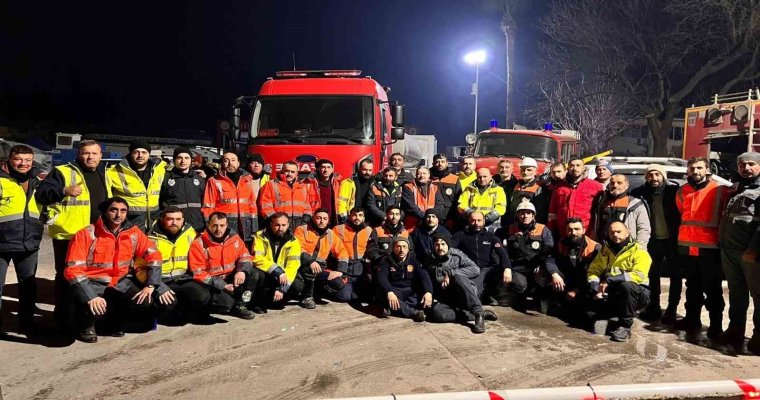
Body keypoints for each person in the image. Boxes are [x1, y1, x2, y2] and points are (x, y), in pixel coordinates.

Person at [64, 197, 172, 343]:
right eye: (113, 210)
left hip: (120, 283)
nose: (118, 215)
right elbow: (73, 270)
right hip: (92, 283)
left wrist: (151, 285)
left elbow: (154, 255)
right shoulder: (86, 234)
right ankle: (85, 326)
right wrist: (91, 296)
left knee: (145, 303)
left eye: (123, 211)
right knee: (88, 302)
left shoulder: (133, 233)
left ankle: (109, 323)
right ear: (105, 212)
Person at [36, 139, 112, 333]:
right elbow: (41, 194)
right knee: (67, 280)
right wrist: (63, 191)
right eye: (86, 153)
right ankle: (63, 322)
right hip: (69, 236)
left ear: (101, 156)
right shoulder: (62, 172)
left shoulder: (105, 174)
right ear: (79, 154)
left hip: (98, 237)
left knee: (94, 278)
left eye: (94, 153)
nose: (90, 157)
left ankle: (87, 322)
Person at [674, 157, 729, 339]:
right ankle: (692, 320)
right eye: (692, 168)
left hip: (710, 248)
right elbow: (682, 214)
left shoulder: (719, 190)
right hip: (687, 247)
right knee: (692, 287)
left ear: (707, 169)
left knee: (713, 289)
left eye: (699, 168)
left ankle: (715, 326)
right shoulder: (682, 191)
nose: (695, 171)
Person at [718, 152, 760, 353]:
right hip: (730, 250)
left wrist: (754, 248)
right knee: (736, 293)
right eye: (742, 165)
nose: (747, 168)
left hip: (751, 254)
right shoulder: (737, 188)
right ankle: (735, 331)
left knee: (758, 295)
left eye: (752, 164)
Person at [0, 145, 44, 334]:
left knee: (28, 286)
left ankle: (27, 324)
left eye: (28, 160)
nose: (23, 163)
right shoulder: (1, 180)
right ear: (9, 160)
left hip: (29, 242)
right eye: (18, 159)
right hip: (2, 243)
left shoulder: (37, 181)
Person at [631, 164, 682, 323]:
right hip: (652, 240)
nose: (654, 178)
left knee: (675, 275)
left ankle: (672, 309)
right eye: (650, 175)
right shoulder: (639, 193)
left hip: (673, 239)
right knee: (652, 274)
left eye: (657, 174)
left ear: (663, 176)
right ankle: (654, 306)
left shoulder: (674, 191)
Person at [142, 206, 209, 323]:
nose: (174, 222)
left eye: (178, 219)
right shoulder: (148, 238)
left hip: (182, 278)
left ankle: (182, 309)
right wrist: (158, 286)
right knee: (169, 306)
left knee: (203, 297)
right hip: (160, 280)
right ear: (162, 219)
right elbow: (140, 269)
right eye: (170, 219)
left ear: (183, 220)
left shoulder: (191, 234)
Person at [587, 222, 651, 342]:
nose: (615, 234)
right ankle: (616, 313)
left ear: (627, 233)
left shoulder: (639, 251)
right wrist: (595, 289)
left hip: (638, 294)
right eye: (612, 232)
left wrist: (609, 280)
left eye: (619, 231)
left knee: (627, 286)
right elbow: (593, 271)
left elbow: (638, 275)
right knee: (587, 315)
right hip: (613, 293)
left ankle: (625, 326)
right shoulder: (605, 250)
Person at [188, 212, 256, 320]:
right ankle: (225, 305)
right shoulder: (198, 244)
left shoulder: (234, 238)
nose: (218, 229)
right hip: (212, 283)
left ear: (227, 225)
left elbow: (245, 256)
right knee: (226, 304)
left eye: (222, 225)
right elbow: (199, 273)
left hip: (231, 277)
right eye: (215, 225)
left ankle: (241, 305)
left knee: (253, 273)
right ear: (208, 225)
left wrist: (241, 271)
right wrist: (223, 285)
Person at [425, 233, 496, 334]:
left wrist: (451, 273)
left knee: (458, 277)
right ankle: (473, 315)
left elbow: (475, 269)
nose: (440, 248)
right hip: (447, 297)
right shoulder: (430, 259)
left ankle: (478, 314)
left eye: (443, 244)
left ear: (448, 245)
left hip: (464, 293)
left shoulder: (457, 255)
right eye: (437, 244)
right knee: (438, 315)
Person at [503, 201, 558, 313]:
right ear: (517, 215)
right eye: (522, 213)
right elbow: (500, 250)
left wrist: (544, 267)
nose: (525, 216)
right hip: (518, 268)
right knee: (520, 285)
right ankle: (518, 298)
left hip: (537, 268)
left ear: (533, 215)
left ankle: (539, 299)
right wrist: (506, 268)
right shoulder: (509, 229)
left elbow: (549, 252)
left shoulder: (543, 230)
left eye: (528, 213)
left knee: (543, 306)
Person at [294, 208, 351, 308]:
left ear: (328, 220)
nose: (322, 221)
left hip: (320, 269)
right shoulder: (302, 230)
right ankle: (306, 298)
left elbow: (342, 251)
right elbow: (298, 249)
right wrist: (310, 261)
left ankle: (316, 292)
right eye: (319, 218)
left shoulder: (330, 234)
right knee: (308, 272)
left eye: (325, 219)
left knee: (338, 283)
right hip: (302, 266)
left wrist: (340, 271)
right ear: (313, 218)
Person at [451, 211, 510, 306]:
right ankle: (482, 297)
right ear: (468, 221)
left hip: (488, 269)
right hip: (471, 269)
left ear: (484, 221)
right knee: (472, 294)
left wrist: (507, 268)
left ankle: (489, 294)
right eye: (473, 220)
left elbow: (502, 253)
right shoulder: (460, 235)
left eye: (479, 220)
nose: (476, 223)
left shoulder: (490, 236)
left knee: (501, 273)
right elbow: (449, 249)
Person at [250, 212, 306, 312]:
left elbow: (292, 266)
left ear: (288, 225)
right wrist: (277, 270)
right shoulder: (260, 236)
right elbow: (257, 258)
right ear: (271, 224)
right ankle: (257, 302)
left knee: (298, 285)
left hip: (282, 276)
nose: (280, 228)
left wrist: (282, 289)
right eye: (277, 225)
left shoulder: (293, 241)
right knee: (257, 275)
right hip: (267, 272)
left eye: (283, 225)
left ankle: (275, 299)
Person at [107, 140, 167, 231]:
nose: (140, 155)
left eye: (144, 152)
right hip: (129, 222)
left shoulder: (159, 170)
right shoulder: (113, 172)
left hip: (154, 221)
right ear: (131, 154)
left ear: (149, 154)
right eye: (136, 152)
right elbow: (108, 199)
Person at [202, 151, 259, 245]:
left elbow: (252, 205)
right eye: (226, 160)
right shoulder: (214, 181)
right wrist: (210, 228)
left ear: (238, 163)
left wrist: (254, 228)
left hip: (245, 228)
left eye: (233, 160)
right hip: (224, 227)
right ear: (222, 163)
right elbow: (208, 207)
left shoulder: (247, 180)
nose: (230, 163)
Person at [555, 217, 601, 323]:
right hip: (566, 283)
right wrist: (554, 274)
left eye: (577, 229)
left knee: (585, 316)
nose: (573, 233)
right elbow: (551, 260)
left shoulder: (595, 248)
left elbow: (593, 274)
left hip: (585, 286)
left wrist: (576, 291)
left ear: (584, 230)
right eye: (570, 230)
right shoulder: (561, 244)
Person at [375, 237, 433, 321]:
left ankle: (392, 309)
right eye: (398, 246)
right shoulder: (386, 260)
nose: (402, 250)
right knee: (384, 295)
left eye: (404, 247)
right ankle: (414, 313)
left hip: (409, 290)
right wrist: (389, 292)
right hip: (394, 290)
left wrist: (428, 292)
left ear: (408, 249)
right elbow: (381, 277)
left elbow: (424, 275)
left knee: (419, 299)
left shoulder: (414, 259)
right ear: (393, 248)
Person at [589, 174, 651, 249]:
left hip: (628, 248)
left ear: (627, 186)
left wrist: (639, 248)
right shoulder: (601, 203)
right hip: (605, 249)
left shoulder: (635, 204)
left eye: (619, 183)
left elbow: (644, 229)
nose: (615, 185)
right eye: (612, 183)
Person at [548, 156, 604, 238]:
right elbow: (552, 211)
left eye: (578, 165)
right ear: (568, 168)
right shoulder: (559, 187)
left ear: (584, 168)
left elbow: (600, 212)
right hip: (563, 232)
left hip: (585, 232)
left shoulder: (595, 186)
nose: (575, 168)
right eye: (572, 166)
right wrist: (551, 231)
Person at [159, 147, 206, 232]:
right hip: (175, 227)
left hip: (197, 226)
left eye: (186, 158)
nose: (183, 161)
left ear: (191, 160)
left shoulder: (199, 178)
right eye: (179, 158)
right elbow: (159, 201)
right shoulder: (165, 178)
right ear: (174, 160)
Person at [258, 160, 317, 228]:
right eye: (287, 171)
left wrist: (305, 219)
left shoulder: (303, 186)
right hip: (280, 226)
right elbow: (265, 205)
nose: (289, 174)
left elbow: (307, 205)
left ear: (296, 174)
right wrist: (275, 220)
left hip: (299, 225)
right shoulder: (271, 184)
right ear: (282, 171)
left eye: (292, 172)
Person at [332, 207, 374, 302]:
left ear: (364, 218)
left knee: (366, 297)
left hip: (361, 270)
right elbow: (334, 250)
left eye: (360, 215)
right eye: (354, 215)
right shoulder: (339, 229)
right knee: (344, 297)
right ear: (349, 216)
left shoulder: (369, 230)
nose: (357, 218)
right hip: (345, 269)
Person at [503, 157, 547, 227]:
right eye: (523, 170)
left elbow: (540, 212)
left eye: (529, 170)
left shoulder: (539, 187)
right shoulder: (515, 184)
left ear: (535, 171)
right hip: (514, 225)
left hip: (530, 226)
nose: (525, 172)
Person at [304, 159, 343, 227]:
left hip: (333, 219)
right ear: (318, 168)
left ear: (332, 169)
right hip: (316, 218)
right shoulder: (308, 183)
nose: (326, 170)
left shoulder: (337, 183)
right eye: (323, 167)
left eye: (328, 167)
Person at [430, 153, 463, 230]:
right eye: (437, 162)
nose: (440, 164)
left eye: (442, 161)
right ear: (433, 163)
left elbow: (457, 201)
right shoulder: (427, 178)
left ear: (447, 163)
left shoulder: (454, 179)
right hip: (431, 216)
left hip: (448, 217)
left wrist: (453, 218)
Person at [337, 158, 374, 224]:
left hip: (368, 217)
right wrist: (343, 216)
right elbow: (341, 201)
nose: (367, 172)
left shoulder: (374, 182)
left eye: (370, 170)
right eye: (365, 170)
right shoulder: (348, 182)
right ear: (359, 169)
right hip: (352, 216)